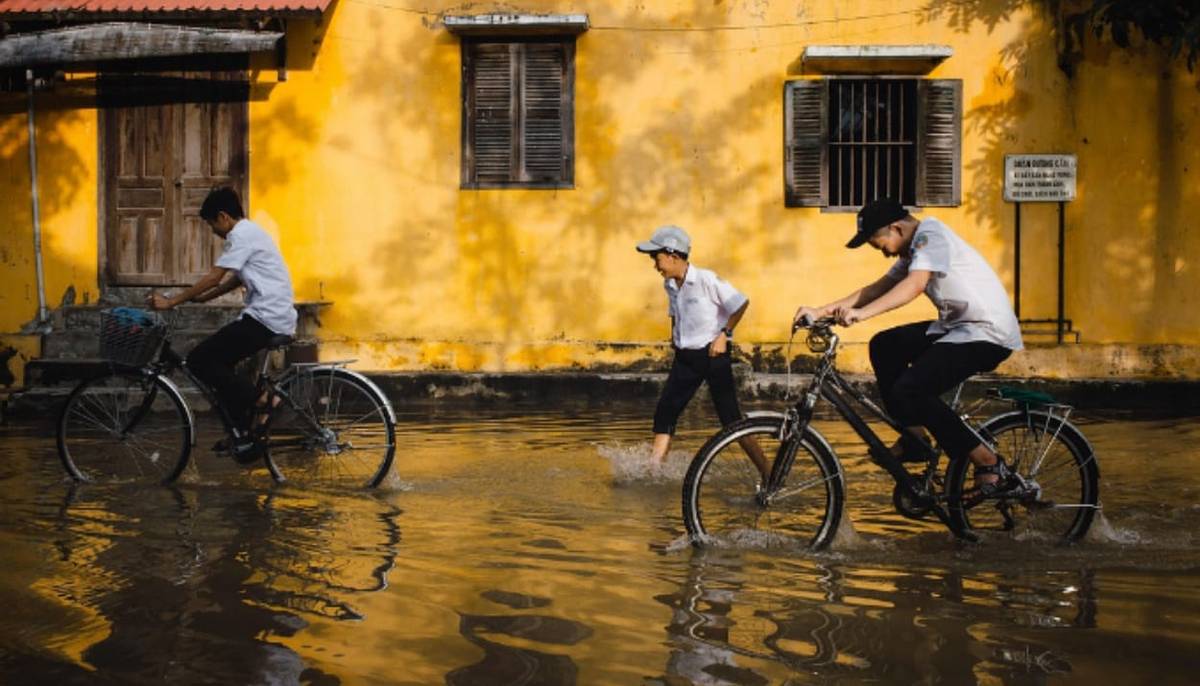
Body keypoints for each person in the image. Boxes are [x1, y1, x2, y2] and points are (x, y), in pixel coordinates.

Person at [793, 198, 1023, 497]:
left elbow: (914, 285)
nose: (883, 253)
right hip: (958, 328)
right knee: (884, 346)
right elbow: (878, 288)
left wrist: (862, 315)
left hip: (987, 333)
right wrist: (822, 311)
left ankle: (987, 463)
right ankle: (915, 437)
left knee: (912, 389)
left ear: (896, 228)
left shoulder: (931, 236)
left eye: (879, 245)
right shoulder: (914, 248)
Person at [147, 186, 297, 464]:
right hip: (272, 315)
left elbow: (215, 276)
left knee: (199, 360)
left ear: (223, 216)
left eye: (212, 224)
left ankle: (265, 399)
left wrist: (172, 302)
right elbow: (235, 280)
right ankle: (242, 431)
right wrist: (204, 299)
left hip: (266, 318)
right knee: (220, 367)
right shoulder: (252, 232)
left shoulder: (240, 236)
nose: (213, 231)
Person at [636, 225, 769, 482]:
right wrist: (675, 338)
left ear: (673, 255)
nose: (655, 265)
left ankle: (768, 470)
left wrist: (724, 335)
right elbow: (675, 313)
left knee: (731, 420)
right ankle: (654, 473)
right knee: (665, 412)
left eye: (657, 258)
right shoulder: (670, 284)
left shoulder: (706, 279)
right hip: (686, 359)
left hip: (712, 355)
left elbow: (740, 303)